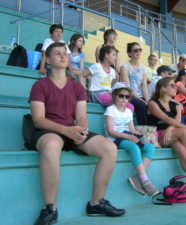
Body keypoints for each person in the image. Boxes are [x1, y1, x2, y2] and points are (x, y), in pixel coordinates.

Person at [29, 43, 125, 225]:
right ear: (48, 60)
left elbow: (81, 117)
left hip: (71, 130)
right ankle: (50, 208)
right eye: (57, 54)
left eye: (64, 53)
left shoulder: (77, 88)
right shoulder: (39, 85)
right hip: (47, 130)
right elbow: (38, 119)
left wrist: (81, 129)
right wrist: (67, 130)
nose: (63, 56)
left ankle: (96, 203)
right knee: (50, 146)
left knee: (109, 148)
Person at [147, 76, 186, 194]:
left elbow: (176, 122)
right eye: (172, 85)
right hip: (156, 136)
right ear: (162, 88)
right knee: (185, 132)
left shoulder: (176, 105)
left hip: (172, 135)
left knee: (181, 149)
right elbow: (165, 118)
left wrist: (170, 129)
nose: (176, 87)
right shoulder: (152, 103)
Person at [104, 82, 158, 197]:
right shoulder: (110, 110)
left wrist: (141, 136)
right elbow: (110, 131)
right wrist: (130, 137)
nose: (124, 99)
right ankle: (144, 180)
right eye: (121, 96)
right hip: (115, 137)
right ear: (114, 96)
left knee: (150, 147)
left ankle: (137, 177)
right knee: (134, 147)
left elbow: (132, 129)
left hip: (127, 135)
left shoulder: (128, 112)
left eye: (127, 96)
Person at [120, 42, 149, 125]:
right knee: (142, 105)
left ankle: (153, 133)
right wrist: (143, 101)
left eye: (140, 50)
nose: (138, 52)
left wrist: (147, 100)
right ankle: (143, 132)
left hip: (141, 95)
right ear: (129, 53)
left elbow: (144, 86)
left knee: (153, 105)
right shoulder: (125, 67)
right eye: (135, 50)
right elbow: (127, 88)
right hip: (129, 95)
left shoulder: (143, 68)